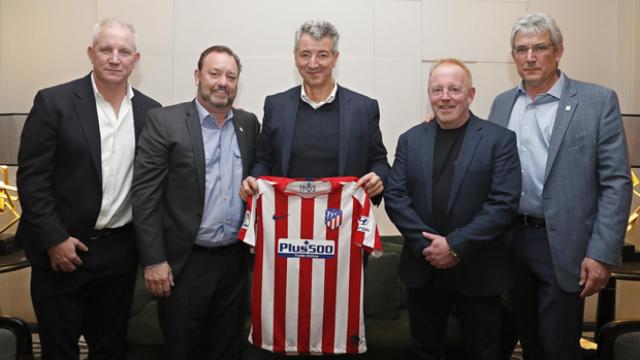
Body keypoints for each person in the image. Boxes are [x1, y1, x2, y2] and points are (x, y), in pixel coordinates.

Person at [487, 13, 632, 359]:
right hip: (512, 242)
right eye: (522, 50)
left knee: (558, 346)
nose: (530, 57)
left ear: (559, 51)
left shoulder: (597, 102)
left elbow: (616, 182)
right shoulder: (502, 104)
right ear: (514, 56)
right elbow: (485, 164)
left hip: (565, 246)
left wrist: (600, 253)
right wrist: (442, 124)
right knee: (527, 341)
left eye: (540, 48)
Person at [16, 18, 160, 359]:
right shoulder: (55, 103)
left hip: (119, 253)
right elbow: (32, 179)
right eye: (106, 50)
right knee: (59, 349)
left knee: (110, 348)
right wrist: (54, 239)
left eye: (123, 51)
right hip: (62, 252)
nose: (114, 58)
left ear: (135, 60)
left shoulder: (150, 112)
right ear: (91, 54)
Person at [384, 59, 521, 360]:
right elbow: (395, 196)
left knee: (483, 352)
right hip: (424, 267)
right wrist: (428, 246)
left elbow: (503, 203)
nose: (445, 96)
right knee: (424, 350)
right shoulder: (410, 140)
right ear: (429, 95)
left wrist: (455, 246)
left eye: (454, 89)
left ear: (470, 94)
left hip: (478, 267)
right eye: (437, 89)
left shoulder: (499, 140)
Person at [131, 45, 260, 360]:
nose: (222, 82)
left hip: (234, 262)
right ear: (197, 76)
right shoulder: (165, 121)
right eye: (214, 73)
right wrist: (154, 260)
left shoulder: (248, 124)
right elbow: (145, 195)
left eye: (230, 76)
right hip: (185, 264)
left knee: (227, 348)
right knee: (184, 349)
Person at [240, 20, 389, 203]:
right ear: (295, 57)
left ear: (335, 57)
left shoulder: (364, 109)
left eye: (323, 55)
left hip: (344, 222)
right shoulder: (275, 106)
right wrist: (254, 180)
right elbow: (263, 161)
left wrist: (378, 176)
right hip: (286, 221)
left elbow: (379, 161)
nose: (313, 64)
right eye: (305, 54)